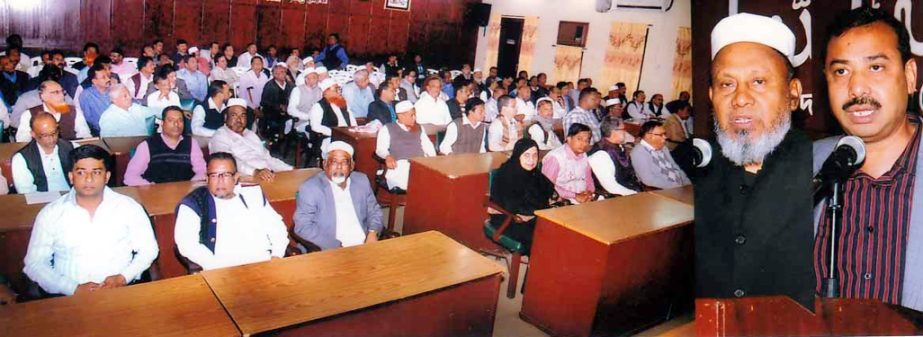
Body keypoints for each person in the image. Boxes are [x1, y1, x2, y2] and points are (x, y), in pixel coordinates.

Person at [695, 12, 814, 309]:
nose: (740, 98)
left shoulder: (823, 169)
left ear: (793, 93)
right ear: (711, 96)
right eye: (726, 85)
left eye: (758, 81)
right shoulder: (695, 168)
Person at [813, 8, 923, 311]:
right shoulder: (805, 167)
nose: (857, 88)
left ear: (910, 76)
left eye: (875, 67)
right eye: (841, 71)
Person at [23, 145, 159, 296]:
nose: (88, 179)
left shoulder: (129, 208)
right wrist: (71, 288)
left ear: (106, 177)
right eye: (81, 172)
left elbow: (149, 250)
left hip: (121, 293)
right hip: (68, 298)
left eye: (96, 172)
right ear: (71, 176)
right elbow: (34, 263)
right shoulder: (51, 213)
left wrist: (123, 278)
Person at [173, 152, 288, 270]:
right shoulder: (194, 203)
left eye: (226, 175)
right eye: (214, 175)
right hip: (222, 269)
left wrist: (276, 256)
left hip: (264, 264)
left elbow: (277, 228)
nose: (220, 181)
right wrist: (215, 266)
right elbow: (186, 244)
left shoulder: (253, 195)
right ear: (206, 178)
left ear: (236, 177)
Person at [293, 141, 383, 251]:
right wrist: (337, 246)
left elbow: (374, 211)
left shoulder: (362, 181)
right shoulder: (311, 188)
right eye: (334, 162)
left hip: (363, 245)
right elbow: (303, 227)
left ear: (352, 166)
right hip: (328, 249)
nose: (339, 167)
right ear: (325, 164)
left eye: (344, 162)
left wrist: (373, 233)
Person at [489, 138, 555, 255]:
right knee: (543, 240)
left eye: (535, 155)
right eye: (527, 155)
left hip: (531, 216)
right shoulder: (507, 174)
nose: (531, 160)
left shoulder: (534, 173)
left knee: (559, 232)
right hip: (508, 220)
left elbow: (549, 190)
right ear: (518, 155)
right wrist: (536, 212)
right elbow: (511, 206)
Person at [209, 99, 293, 181]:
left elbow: (268, 158)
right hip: (244, 179)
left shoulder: (251, 134)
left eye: (243, 115)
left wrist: (290, 169)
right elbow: (228, 162)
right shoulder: (220, 136)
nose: (239, 120)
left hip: (268, 175)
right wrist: (255, 172)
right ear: (225, 117)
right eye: (234, 115)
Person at [124, 106, 206, 186]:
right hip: (156, 194)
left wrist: (190, 186)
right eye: (171, 120)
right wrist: (150, 187)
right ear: (162, 123)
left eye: (180, 120)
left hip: (185, 194)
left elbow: (202, 171)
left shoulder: (191, 143)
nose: (176, 124)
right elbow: (130, 177)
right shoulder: (147, 145)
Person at [375, 101, 437, 190]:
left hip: (419, 165)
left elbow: (428, 147)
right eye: (411, 115)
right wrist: (388, 156)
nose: (415, 118)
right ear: (401, 116)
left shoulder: (419, 128)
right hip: (399, 167)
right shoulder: (387, 128)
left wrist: (433, 161)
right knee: (416, 183)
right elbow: (380, 149)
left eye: (415, 115)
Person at [12, 112, 74, 193]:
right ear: (33, 134)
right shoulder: (21, 159)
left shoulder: (72, 148)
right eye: (45, 135)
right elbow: (26, 193)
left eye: (54, 133)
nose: (51, 139)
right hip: (41, 202)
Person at [16, 80, 91, 142]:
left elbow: (85, 135)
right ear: (42, 96)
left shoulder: (73, 111)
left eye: (62, 92)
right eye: (56, 92)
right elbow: (22, 140)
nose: (62, 96)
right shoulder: (29, 114)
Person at [542, 123, 595, 204]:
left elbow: (589, 180)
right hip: (562, 201)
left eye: (586, 141)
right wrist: (575, 195)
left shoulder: (583, 155)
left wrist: (589, 193)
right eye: (579, 139)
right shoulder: (555, 158)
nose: (583, 144)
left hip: (583, 198)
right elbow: (547, 186)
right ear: (569, 139)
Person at [589, 117, 641, 196]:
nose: (625, 132)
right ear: (613, 131)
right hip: (616, 197)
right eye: (623, 129)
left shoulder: (617, 146)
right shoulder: (601, 155)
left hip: (629, 188)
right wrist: (636, 194)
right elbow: (611, 187)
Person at [631, 120, 690, 189]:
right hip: (662, 190)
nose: (665, 137)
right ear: (649, 136)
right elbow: (648, 180)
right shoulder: (638, 152)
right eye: (661, 134)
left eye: (664, 134)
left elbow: (675, 167)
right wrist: (677, 187)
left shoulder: (663, 147)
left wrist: (687, 183)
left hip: (680, 185)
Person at [309, 78, 357, 152]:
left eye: (339, 88)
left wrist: (355, 131)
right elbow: (315, 126)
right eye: (336, 88)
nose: (339, 91)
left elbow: (352, 119)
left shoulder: (343, 103)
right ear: (326, 91)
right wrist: (335, 133)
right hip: (329, 137)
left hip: (348, 135)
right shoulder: (318, 106)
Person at [259, 63, 293, 138]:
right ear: (275, 75)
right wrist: (279, 106)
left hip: (287, 111)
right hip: (273, 114)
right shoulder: (269, 86)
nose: (284, 74)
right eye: (281, 72)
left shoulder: (289, 84)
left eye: (284, 72)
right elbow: (264, 102)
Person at [78, 64, 112, 136]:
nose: (108, 79)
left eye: (108, 76)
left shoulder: (114, 90)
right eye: (103, 77)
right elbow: (88, 118)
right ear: (94, 81)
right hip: (99, 131)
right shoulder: (86, 95)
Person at [287, 67, 321, 134]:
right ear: (306, 79)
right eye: (313, 78)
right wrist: (308, 117)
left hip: (318, 121)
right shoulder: (297, 90)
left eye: (316, 78)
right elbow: (291, 110)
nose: (316, 80)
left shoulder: (320, 90)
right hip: (302, 122)